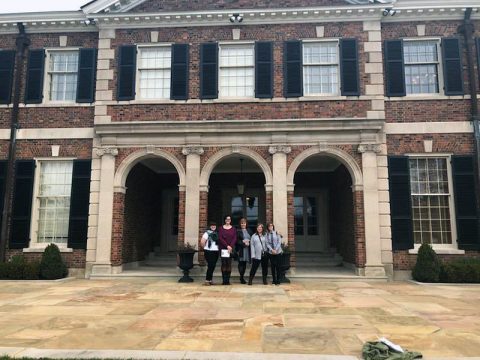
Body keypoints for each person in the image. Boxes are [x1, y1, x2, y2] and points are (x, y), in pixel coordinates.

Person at [218, 215, 237, 285]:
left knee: (229, 264)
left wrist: (230, 246)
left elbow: (235, 238)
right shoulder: (221, 228)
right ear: (225, 220)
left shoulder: (233, 229)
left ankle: (227, 280)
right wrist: (227, 246)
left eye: (229, 219)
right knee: (224, 263)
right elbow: (220, 238)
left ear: (231, 220)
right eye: (227, 219)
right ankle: (224, 280)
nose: (228, 220)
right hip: (223, 248)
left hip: (230, 249)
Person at [200, 221, 219, 286]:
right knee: (210, 266)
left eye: (214, 225)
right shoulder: (206, 233)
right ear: (210, 226)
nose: (213, 226)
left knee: (213, 266)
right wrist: (205, 248)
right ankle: (207, 280)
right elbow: (202, 242)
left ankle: (210, 280)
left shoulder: (217, 233)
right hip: (209, 251)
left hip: (216, 251)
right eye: (212, 225)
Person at [236, 217, 251, 284]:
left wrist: (249, 242)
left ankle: (242, 276)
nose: (243, 224)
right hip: (241, 249)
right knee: (241, 263)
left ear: (246, 224)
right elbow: (236, 241)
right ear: (240, 224)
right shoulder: (237, 231)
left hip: (247, 250)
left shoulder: (249, 230)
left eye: (244, 223)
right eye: (242, 223)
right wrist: (244, 243)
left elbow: (252, 238)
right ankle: (241, 277)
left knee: (244, 264)